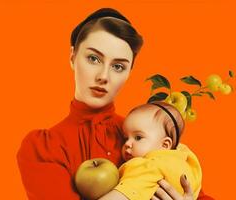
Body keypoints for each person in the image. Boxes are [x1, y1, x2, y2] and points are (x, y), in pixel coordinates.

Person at [17, 7, 213, 200]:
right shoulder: (43, 148)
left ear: (129, 72)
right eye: (93, 58)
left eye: (118, 66)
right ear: (72, 57)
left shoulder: (148, 134)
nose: (103, 76)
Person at [97, 102, 201, 200]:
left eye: (138, 137)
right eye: (125, 138)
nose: (127, 144)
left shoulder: (148, 166)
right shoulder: (186, 162)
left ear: (165, 145)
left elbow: (121, 195)